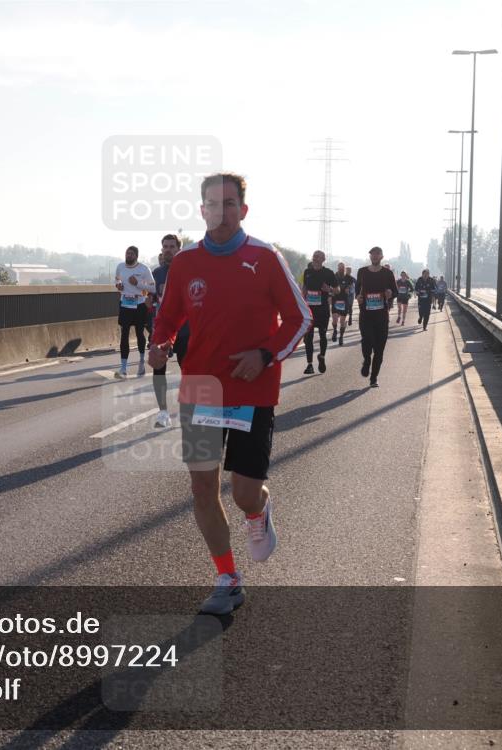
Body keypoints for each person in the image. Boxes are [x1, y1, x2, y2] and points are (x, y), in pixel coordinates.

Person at [149, 172, 311, 615]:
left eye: (230, 202)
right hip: (201, 387)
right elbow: (168, 318)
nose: (221, 211)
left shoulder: (265, 257)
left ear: (244, 208)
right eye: (212, 203)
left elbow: (300, 318)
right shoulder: (184, 264)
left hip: (251, 390)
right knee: (203, 488)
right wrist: (159, 343)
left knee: (241, 493)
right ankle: (227, 578)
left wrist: (265, 354)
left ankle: (258, 511)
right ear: (202, 210)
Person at [150, 234, 189, 428]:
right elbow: (150, 298)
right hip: (163, 329)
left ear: (179, 249)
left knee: (188, 371)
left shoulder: (188, 271)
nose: (168, 250)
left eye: (172, 246)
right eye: (165, 246)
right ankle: (163, 412)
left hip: (185, 330)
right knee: (159, 369)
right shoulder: (156, 273)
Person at [356, 247, 397, 388]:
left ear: (381, 256)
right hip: (366, 315)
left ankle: (374, 378)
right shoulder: (362, 272)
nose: (374, 256)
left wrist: (390, 292)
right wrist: (358, 297)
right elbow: (357, 289)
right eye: (372, 254)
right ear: (370, 256)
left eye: (377, 254)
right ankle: (367, 360)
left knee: (379, 349)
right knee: (367, 341)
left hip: (381, 316)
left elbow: (395, 291)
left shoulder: (387, 273)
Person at [114, 245, 155, 379]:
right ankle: (123, 368)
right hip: (125, 304)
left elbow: (153, 287)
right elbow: (117, 279)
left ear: (136, 256)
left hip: (139, 304)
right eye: (127, 253)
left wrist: (138, 283)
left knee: (139, 333)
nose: (128, 256)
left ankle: (142, 362)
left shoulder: (144, 269)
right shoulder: (120, 266)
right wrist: (118, 285)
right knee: (124, 334)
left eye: (131, 254)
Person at [298, 251, 337, 375]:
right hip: (309, 310)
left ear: (323, 259)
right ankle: (309, 365)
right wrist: (302, 298)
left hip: (323, 310)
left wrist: (329, 289)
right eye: (314, 256)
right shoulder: (307, 272)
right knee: (308, 338)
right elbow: (304, 287)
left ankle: (322, 357)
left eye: (318, 256)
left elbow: (337, 290)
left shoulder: (328, 273)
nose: (314, 258)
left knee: (322, 335)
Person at [330, 262, 353, 346]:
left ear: (344, 268)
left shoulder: (349, 278)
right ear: (337, 268)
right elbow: (330, 286)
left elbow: (352, 286)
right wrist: (331, 292)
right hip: (335, 300)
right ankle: (335, 330)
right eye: (340, 267)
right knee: (335, 320)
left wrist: (348, 289)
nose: (341, 269)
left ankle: (341, 337)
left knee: (342, 321)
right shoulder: (334, 276)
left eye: (342, 267)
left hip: (344, 301)